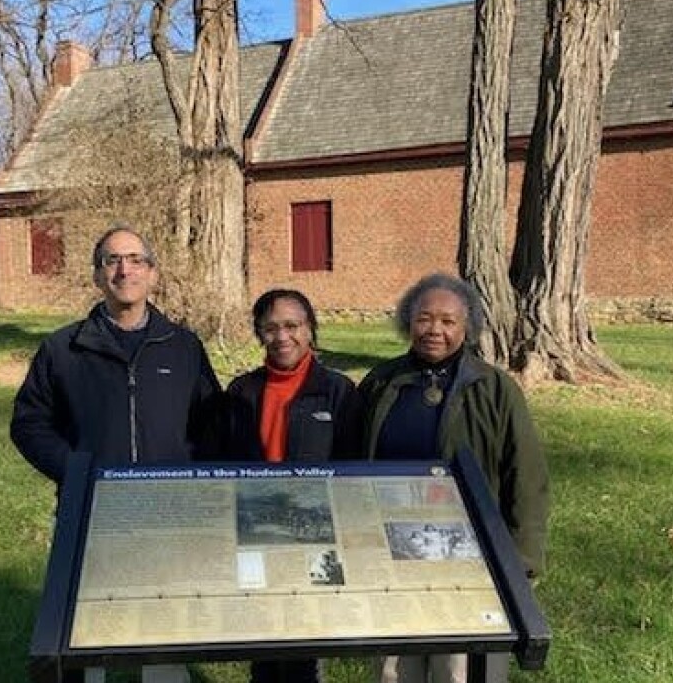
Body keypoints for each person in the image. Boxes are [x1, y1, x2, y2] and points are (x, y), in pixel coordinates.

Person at [11, 225, 221, 683]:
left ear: (152, 273)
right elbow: (29, 422)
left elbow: (211, 425)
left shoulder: (183, 347)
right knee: (86, 636)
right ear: (96, 276)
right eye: (111, 260)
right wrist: (74, 471)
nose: (124, 269)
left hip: (168, 512)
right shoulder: (63, 349)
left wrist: (188, 479)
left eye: (134, 259)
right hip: (90, 511)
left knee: (163, 638)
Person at [358, 273, 550, 683]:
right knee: (395, 669)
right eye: (425, 318)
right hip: (391, 549)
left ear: (467, 328)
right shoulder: (381, 381)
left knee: (457, 668)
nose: (435, 330)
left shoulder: (495, 388)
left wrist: (522, 562)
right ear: (408, 321)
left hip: (468, 557)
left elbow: (527, 477)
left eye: (448, 321)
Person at [201, 288, 363, 683]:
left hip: (315, 535)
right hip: (256, 532)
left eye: (292, 326)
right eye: (270, 328)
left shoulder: (338, 391)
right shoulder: (242, 391)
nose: (282, 337)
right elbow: (223, 461)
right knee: (262, 641)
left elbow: (354, 468)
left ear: (310, 330)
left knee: (305, 646)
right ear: (259, 334)